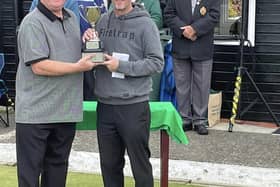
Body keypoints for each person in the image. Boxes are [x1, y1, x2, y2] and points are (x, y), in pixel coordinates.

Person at [16, 0, 100, 186]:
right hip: (36, 115)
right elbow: (39, 66)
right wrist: (77, 67)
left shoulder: (72, 20)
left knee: (57, 174)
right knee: (29, 178)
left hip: (65, 111)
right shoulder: (32, 23)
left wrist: (85, 38)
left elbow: (69, 52)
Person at [83, 0, 164, 186]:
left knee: (140, 165)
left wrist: (122, 66)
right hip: (105, 105)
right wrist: (88, 37)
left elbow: (157, 63)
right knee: (110, 166)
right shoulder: (101, 21)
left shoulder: (146, 24)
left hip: (133, 106)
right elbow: (94, 54)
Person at [164, 0, 220, 135]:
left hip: (202, 47)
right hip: (181, 46)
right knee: (182, 85)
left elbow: (214, 16)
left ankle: (200, 120)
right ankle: (185, 119)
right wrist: (184, 30)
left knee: (202, 86)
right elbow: (168, 14)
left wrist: (194, 29)